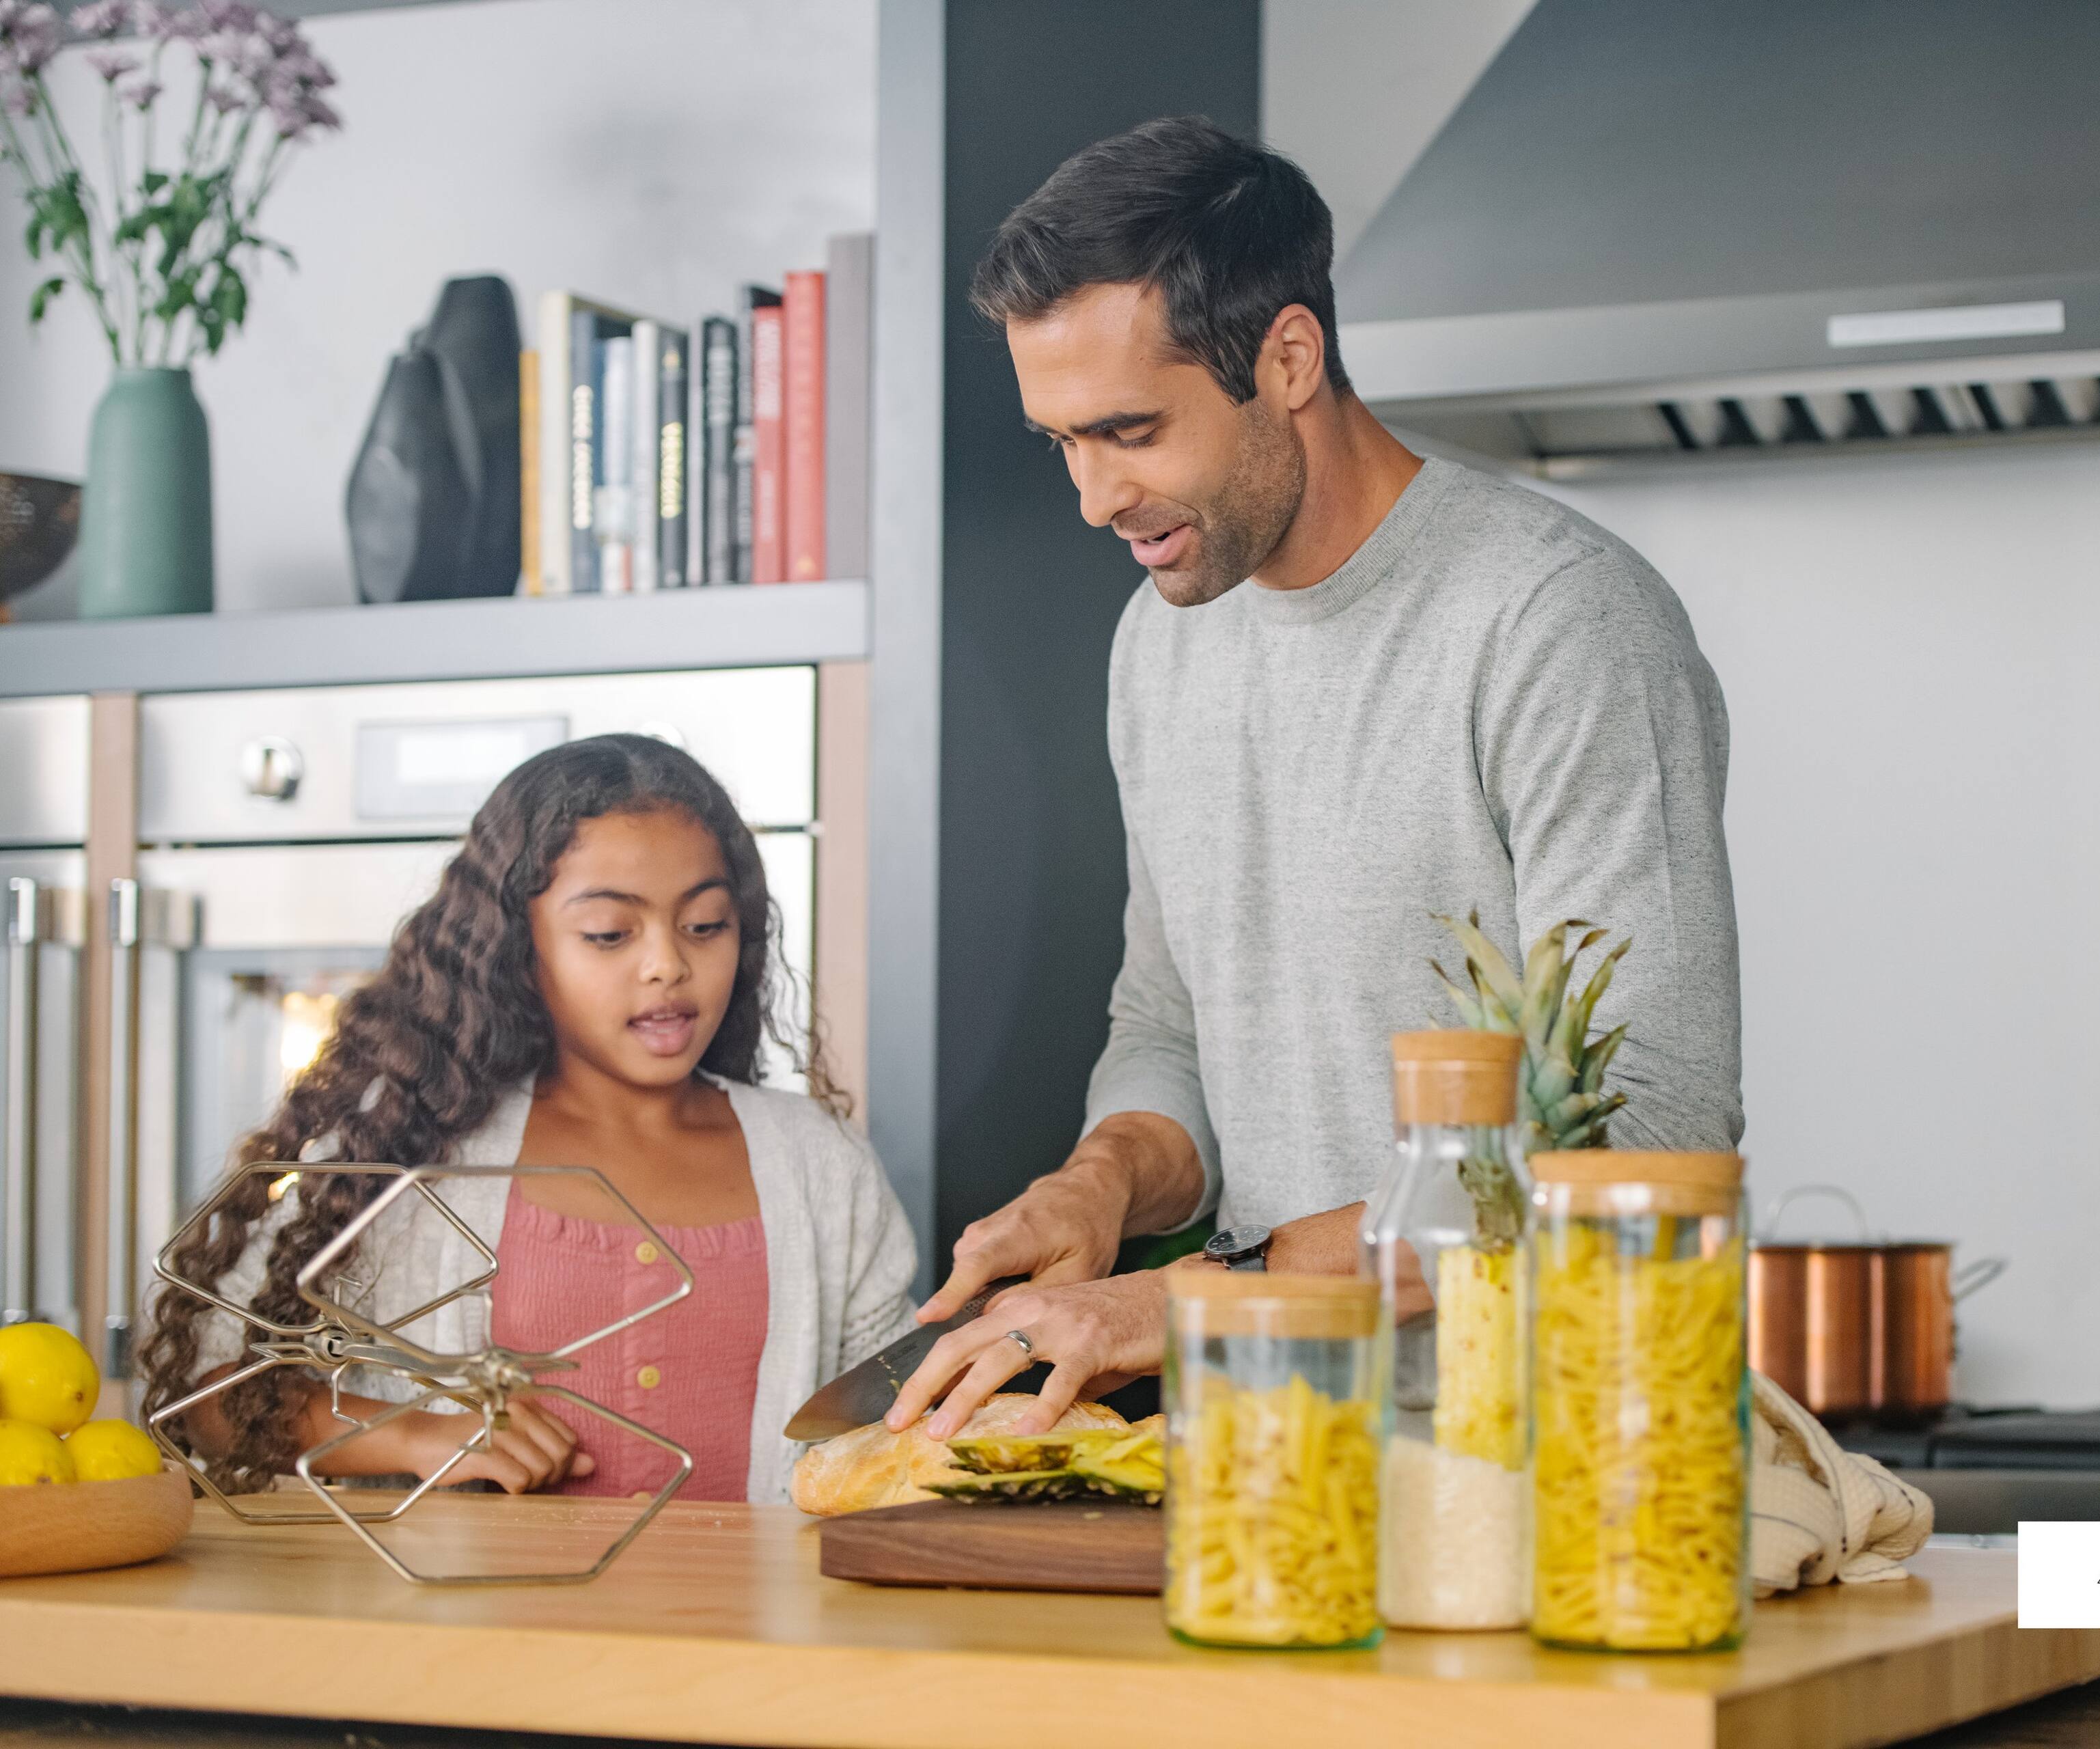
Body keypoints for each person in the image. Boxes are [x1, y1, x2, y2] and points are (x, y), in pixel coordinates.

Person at [887, 115, 1743, 1440]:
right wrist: (1102, 1180)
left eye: (1129, 429)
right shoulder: (1160, 642)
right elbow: (1172, 1022)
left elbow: (1650, 1134)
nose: (1091, 495)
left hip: (1564, 1476)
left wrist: (1202, 1292)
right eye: (1062, 440)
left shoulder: (1557, 622)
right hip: (1277, 1470)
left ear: (1288, 356)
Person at [137, 734, 917, 1504]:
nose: (667, 965)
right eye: (610, 933)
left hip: (757, 1633)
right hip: (466, 1636)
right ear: (518, 947)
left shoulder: (819, 1165)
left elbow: (896, 1425)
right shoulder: (418, 1151)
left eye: (705, 924)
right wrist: (417, 1436)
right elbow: (208, 1395)